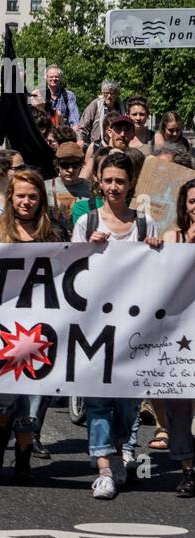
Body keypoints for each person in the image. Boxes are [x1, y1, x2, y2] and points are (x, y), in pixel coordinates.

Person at [71, 152, 159, 499]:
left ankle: (122, 448)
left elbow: (156, 273)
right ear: (99, 182)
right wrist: (86, 250)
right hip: (94, 325)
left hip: (132, 326)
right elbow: (69, 273)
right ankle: (103, 465)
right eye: (107, 180)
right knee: (97, 400)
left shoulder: (143, 223)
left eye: (119, 181)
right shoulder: (88, 223)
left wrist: (155, 249)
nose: (113, 187)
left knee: (127, 400)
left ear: (130, 184)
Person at [0, 170, 62, 483]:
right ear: (11, 198)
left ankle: (23, 458)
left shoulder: (53, 234)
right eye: (21, 196)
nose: (26, 202)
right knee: (2, 401)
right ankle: (0, 434)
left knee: (32, 399)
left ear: (41, 199)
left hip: (41, 331)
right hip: (3, 330)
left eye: (33, 196)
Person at [161, 178, 195, 497]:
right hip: (180, 333)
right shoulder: (174, 236)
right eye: (193, 201)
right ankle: (187, 468)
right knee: (179, 405)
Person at [77, 79, 121, 147]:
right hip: (97, 145)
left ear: (117, 94)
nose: (109, 96)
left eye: (112, 93)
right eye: (106, 93)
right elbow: (83, 125)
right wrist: (80, 140)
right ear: (102, 93)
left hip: (117, 145)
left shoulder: (121, 107)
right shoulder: (96, 104)